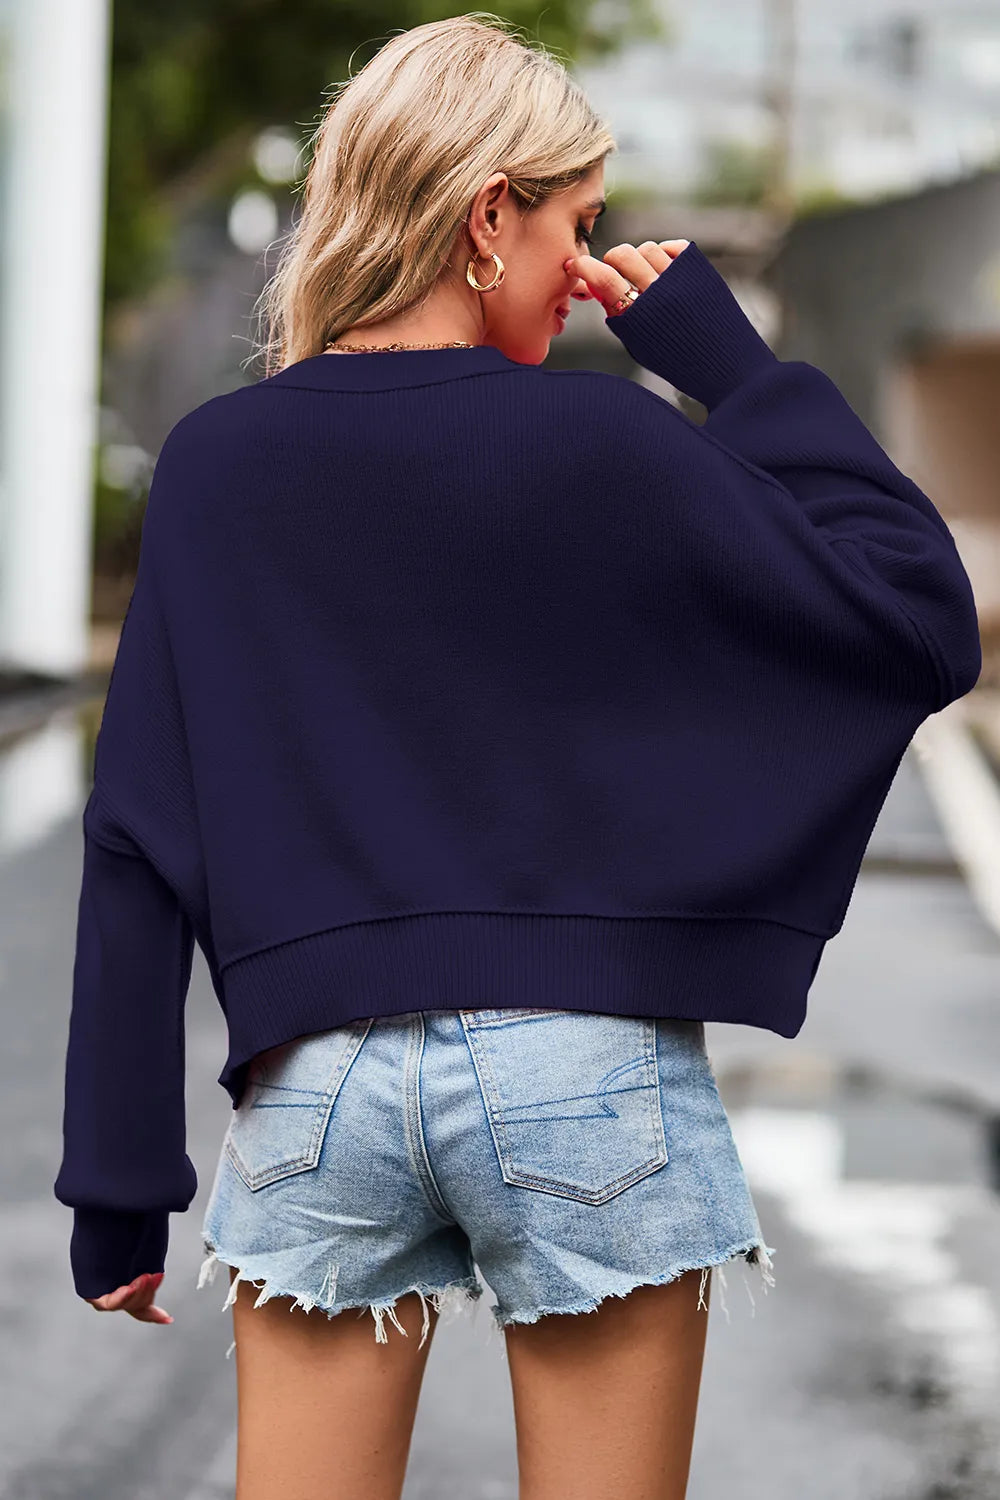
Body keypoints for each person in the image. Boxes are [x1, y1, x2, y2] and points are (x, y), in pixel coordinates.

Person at [53, 13, 981, 1500]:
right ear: (490, 217)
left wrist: (117, 1185)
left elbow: (135, 830)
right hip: (589, 1082)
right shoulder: (611, 443)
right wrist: (729, 366)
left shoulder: (219, 464)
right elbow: (919, 618)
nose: (587, 265)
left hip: (317, 1088)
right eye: (577, 223)